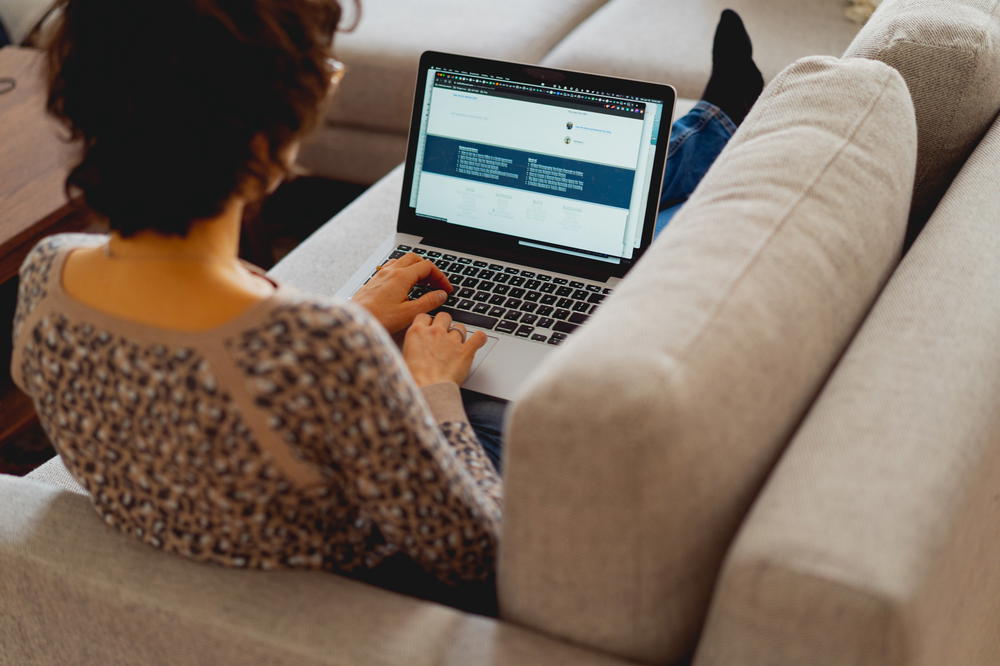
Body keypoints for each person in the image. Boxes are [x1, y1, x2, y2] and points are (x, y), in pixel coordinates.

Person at [10, 0, 761, 611]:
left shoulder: (47, 278)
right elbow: (474, 553)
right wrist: (435, 386)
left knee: (576, 223)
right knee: (626, 243)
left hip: (224, 513)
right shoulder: (326, 347)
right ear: (276, 138)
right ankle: (719, 125)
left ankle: (714, 120)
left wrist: (361, 314)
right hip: (386, 562)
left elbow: (206, 386)